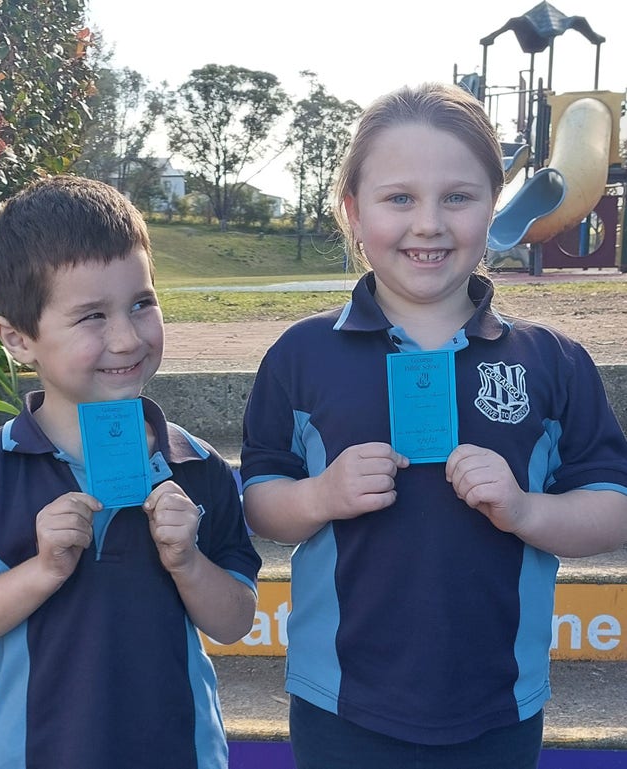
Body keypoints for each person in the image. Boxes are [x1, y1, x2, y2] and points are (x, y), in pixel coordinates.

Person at [240, 82, 627, 769]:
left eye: (458, 196)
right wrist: (318, 497)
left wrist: (525, 509)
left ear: (494, 208)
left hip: (498, 705)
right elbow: (262, 498)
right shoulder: (302, 355)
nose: (429, 224)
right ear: (354, 213)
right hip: (341, 705)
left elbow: (613, 509)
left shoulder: (551, 360)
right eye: (399, 199)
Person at [0, 175, 262, 769]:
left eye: (142, 304)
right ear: (19, 339)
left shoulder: (195, 465)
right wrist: (44, 569)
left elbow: (234, 621)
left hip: (183, 751)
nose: (126, 338)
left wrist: (188, 562)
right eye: (91, 316)